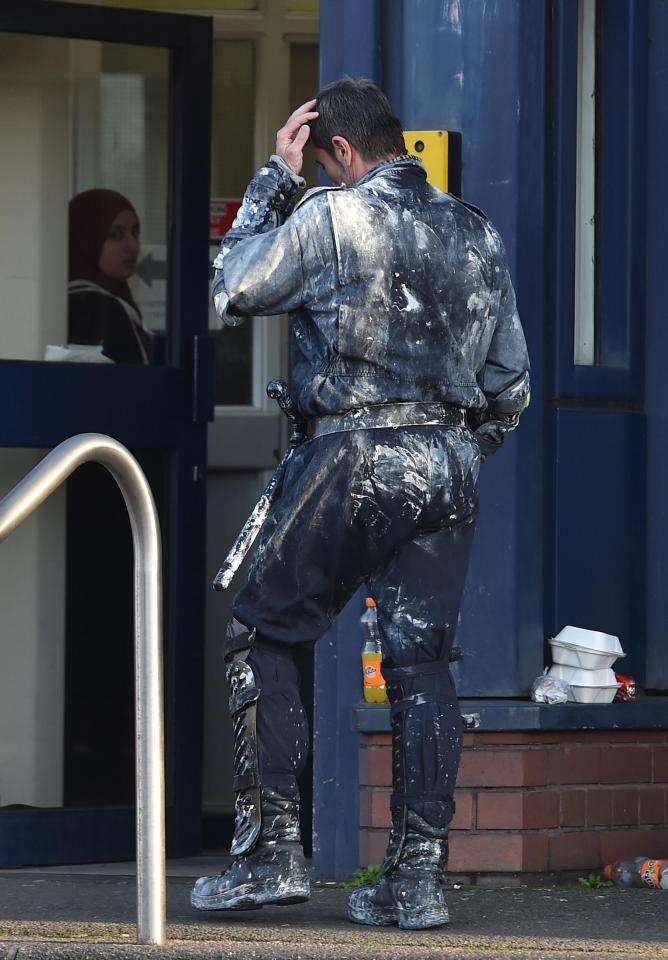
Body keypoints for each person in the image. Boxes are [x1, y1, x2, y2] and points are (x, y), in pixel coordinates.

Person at [192, 78, 530, 929]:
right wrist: (448, 448)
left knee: (263, 627)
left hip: (350, 453)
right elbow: (511, 387)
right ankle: (416, 881)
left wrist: (275, 176)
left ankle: (270, 855)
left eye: (322, 160)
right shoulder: (474, 232)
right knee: (422, 666)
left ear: (339, 150)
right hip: (447, 462)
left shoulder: (334, 216)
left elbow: (228, 287)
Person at [66, 189, 152, 364]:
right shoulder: (93, 306)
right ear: (86, 239)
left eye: (134, 233)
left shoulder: (117, 302)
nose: (132, 246)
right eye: (116, 235)